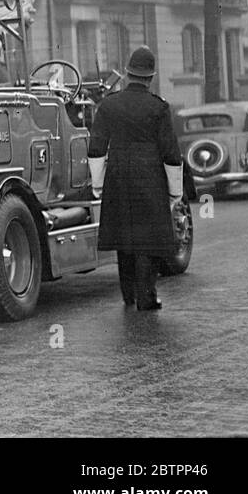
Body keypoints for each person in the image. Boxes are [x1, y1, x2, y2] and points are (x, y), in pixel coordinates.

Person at [88, 46, 183, 311]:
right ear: (150, 77)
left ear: (128, 74)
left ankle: (128, 295)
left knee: (123, 237)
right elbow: (171, 152)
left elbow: (96, 148)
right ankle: (147, 297)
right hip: (149, 176)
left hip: (117, 176)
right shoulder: (159, 108)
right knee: (147, 239)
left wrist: (98, 184)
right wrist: (175, 191)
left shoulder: (108, 105)